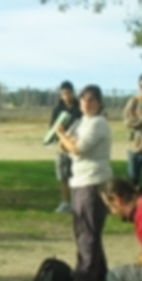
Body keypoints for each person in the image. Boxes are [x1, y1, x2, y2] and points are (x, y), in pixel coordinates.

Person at [55, 84, 113, 281]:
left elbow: (77, 148)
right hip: (79, 181)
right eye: (83, 99)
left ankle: (85, 275)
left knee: (87, 231)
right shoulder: (80, 122)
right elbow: (62, 147)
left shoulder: (98, 123)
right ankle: (101, 273)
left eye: (91, 100)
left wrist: (61, 134)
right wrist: (65, 140)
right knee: (85, 230)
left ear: (99, 102)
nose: (86, 104)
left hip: (94, 182)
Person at [49, 81, 82, 213]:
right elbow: (52, 127)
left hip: (75, 145)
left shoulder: (79, 108)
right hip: (62, 146)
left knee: (76, 174)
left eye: (68, 93)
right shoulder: (57, 109)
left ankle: (77, 202)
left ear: (73, 93)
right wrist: (58, 140)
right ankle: (66, 202)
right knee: (63, 175)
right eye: (63, 93)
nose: (66, 96)